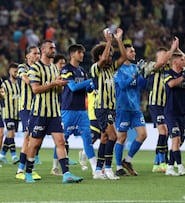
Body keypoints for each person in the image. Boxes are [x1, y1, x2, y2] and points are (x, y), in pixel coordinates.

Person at [24, 40, 83, 183]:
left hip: (54, 113)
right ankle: (28, 173)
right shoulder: (34, 68)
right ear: (43, 50)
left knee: (61, 142)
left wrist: (60, 85)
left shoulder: (55, 68)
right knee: (35, 143)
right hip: (39, 113)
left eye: (54, 48)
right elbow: (35, 89)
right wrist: (53, 83)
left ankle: (66, 174)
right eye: (51, 48)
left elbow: (57, 90)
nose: (53, 50)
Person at [51, 44, 96, 178]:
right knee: (62, 139)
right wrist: (89, 82)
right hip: (68, 110)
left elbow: (87, 90)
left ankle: (95, 170)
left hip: (82, 110)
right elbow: (73, 88)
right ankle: (55, 167)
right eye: (79, 52)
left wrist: (91, 86)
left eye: (82, 52)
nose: (82, 55)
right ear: (72, 55)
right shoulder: (66, 70)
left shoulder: (82, 70)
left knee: (88, 138)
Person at [89, 28, 127, 180]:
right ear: (99, 55)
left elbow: (124, 57)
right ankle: (109, 169)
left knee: (105, 138)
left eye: (112, 54)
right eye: (108, 54)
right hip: (101, 108)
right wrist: (109, 41)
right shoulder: (95, 69)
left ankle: (98, 170)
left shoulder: (112, 68)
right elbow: (103, 60)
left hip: (111, 108)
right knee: (113, 136)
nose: (110, 57)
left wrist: (118, 39)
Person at [142, 38, 179, 173]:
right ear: (157, 57)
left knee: (166, 132)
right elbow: (161, 62)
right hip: (155, 104)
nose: (164, 58)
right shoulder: (151, 66)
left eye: (166, 55)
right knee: (163, 131)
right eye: (161, 55)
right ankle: (161, 162)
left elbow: (184, 63)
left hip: (167, 105)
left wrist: (177, 50)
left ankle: (158, 162)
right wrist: (172, 49)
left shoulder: (169, 69)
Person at [114, 44, 148, 176]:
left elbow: (142, 86)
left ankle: (127, 160)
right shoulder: (118, 69)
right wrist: (135, 75)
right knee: (122, 137)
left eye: (134, 51)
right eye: (131, 51)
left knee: (143, 134)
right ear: (125, 53)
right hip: (123, 108)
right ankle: (118, 167)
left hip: (135, 108)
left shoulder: (135, 67)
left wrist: (144, 74)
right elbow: (122, 85)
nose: (134, 53)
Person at [164, 50, 185, 176]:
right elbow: (171, 84)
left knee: (177, 141)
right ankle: (180, 167)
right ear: (175, 62)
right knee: (176, 138)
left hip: (182, 112)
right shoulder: (168, 73)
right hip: (171, 112)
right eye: (181, 60)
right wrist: (184, 76)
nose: (184, 62)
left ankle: (170, 167)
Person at [15, 45, 41, 180]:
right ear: (27, 56)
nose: (38, 55)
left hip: (38, 107)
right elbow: (26, 80)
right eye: (35, 53)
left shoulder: (41, 68)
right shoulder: (22, 67)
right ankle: (23, 170)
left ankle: (23, 169)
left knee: (32, 138)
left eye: (39, 53)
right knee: (29, 137)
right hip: (26, 107)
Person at [0, 63, 20, 164]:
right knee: (11, 133)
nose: (16, 73)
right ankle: (14, 156)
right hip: (8, 113)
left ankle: (2, 155)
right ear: (10, 72)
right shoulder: (5, 84)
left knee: (11, 135)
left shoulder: (20, 84)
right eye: (15, 71)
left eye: (18, 71)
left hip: (17, 113)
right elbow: (0, 97)